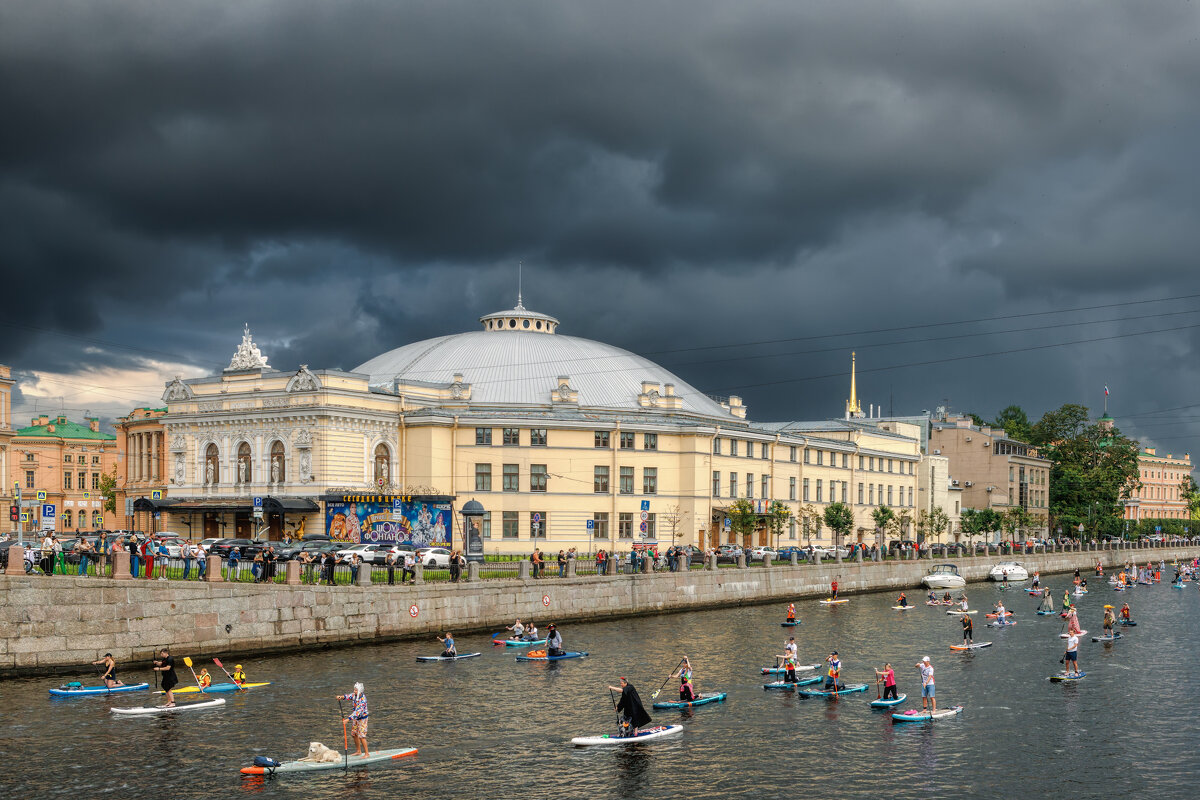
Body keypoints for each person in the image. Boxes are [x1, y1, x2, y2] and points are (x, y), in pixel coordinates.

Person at [337, 682, 370, 757]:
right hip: (356, 718)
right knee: (354, 734)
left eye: (356, 690)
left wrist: (348, 719)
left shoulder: (363, 700)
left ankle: (367, 753)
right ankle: (358, 751)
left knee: (361, 735)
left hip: (362, 719)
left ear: (360, 691)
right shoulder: (354, 695)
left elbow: (357, 712)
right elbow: (348, 696)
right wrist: (341, 697)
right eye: (354, 690)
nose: (354, 691)